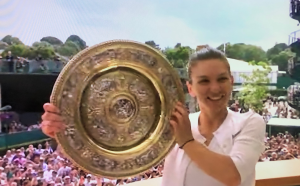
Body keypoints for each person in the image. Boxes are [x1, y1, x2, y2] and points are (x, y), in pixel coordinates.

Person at [40, 47, 266, 186]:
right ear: (191, 88)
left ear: (232, 82)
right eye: (204, 81)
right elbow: (109, 155)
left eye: (222, 79)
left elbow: (232, 176)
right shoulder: (172, 122)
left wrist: (186, 141)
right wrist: (63, 131)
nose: (215, 88)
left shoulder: (249, 123)